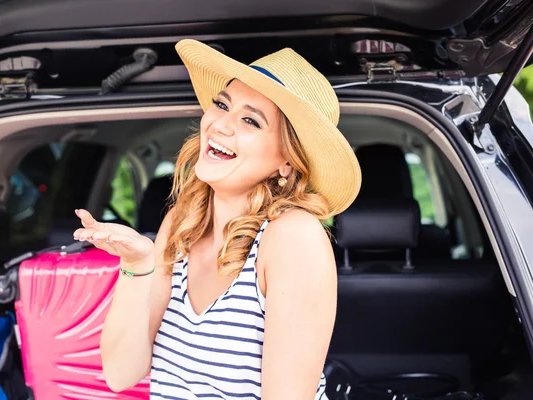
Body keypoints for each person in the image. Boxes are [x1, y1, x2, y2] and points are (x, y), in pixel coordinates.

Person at [73, 38, 361, 399]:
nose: (220, 125)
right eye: (222, 105)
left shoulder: (293, 237)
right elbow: (120, 373)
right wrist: (138, 265)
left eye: (250, 120)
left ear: (286, 162)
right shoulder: (181, 222)